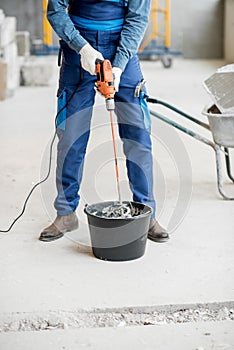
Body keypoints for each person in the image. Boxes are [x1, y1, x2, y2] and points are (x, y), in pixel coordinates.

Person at [39, 0, 169, 243]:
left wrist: (118, 66)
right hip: (78, 44)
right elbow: (55, 9)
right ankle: (66, 213)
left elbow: (138, 19)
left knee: (138, 135)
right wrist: (82, 49)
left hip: (122, 43)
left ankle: (146, 212)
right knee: (71, 136)